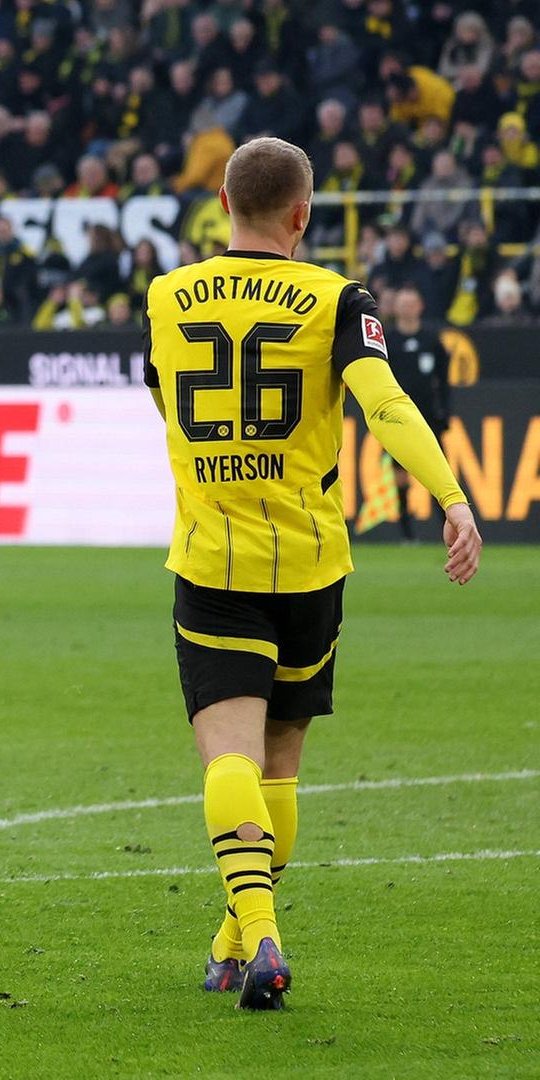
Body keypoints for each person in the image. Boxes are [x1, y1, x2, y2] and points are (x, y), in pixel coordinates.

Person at [142, 137, 480, 1011]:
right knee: (280, 763)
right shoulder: (337, 299)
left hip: (213, 558)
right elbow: (385, 404)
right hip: (310, 564)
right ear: (303, 213)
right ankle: (238, 939)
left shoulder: (167, 295)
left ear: (222, 199)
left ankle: (252, 936)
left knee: (228, 754)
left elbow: (163, 396)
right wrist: (449, 497)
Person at [380, 284, 451, 543]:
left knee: (438, 474)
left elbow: (443, 381)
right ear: (396, 307)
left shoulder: (432, 341)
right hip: (398, 420)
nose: (407, 309)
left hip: (428, 418)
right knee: (400, 478)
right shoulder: (387, 341)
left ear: (420, 307)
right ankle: (407, 535)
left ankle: (448, 529)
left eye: (411, 304)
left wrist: (444, 412)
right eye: (403, 304)